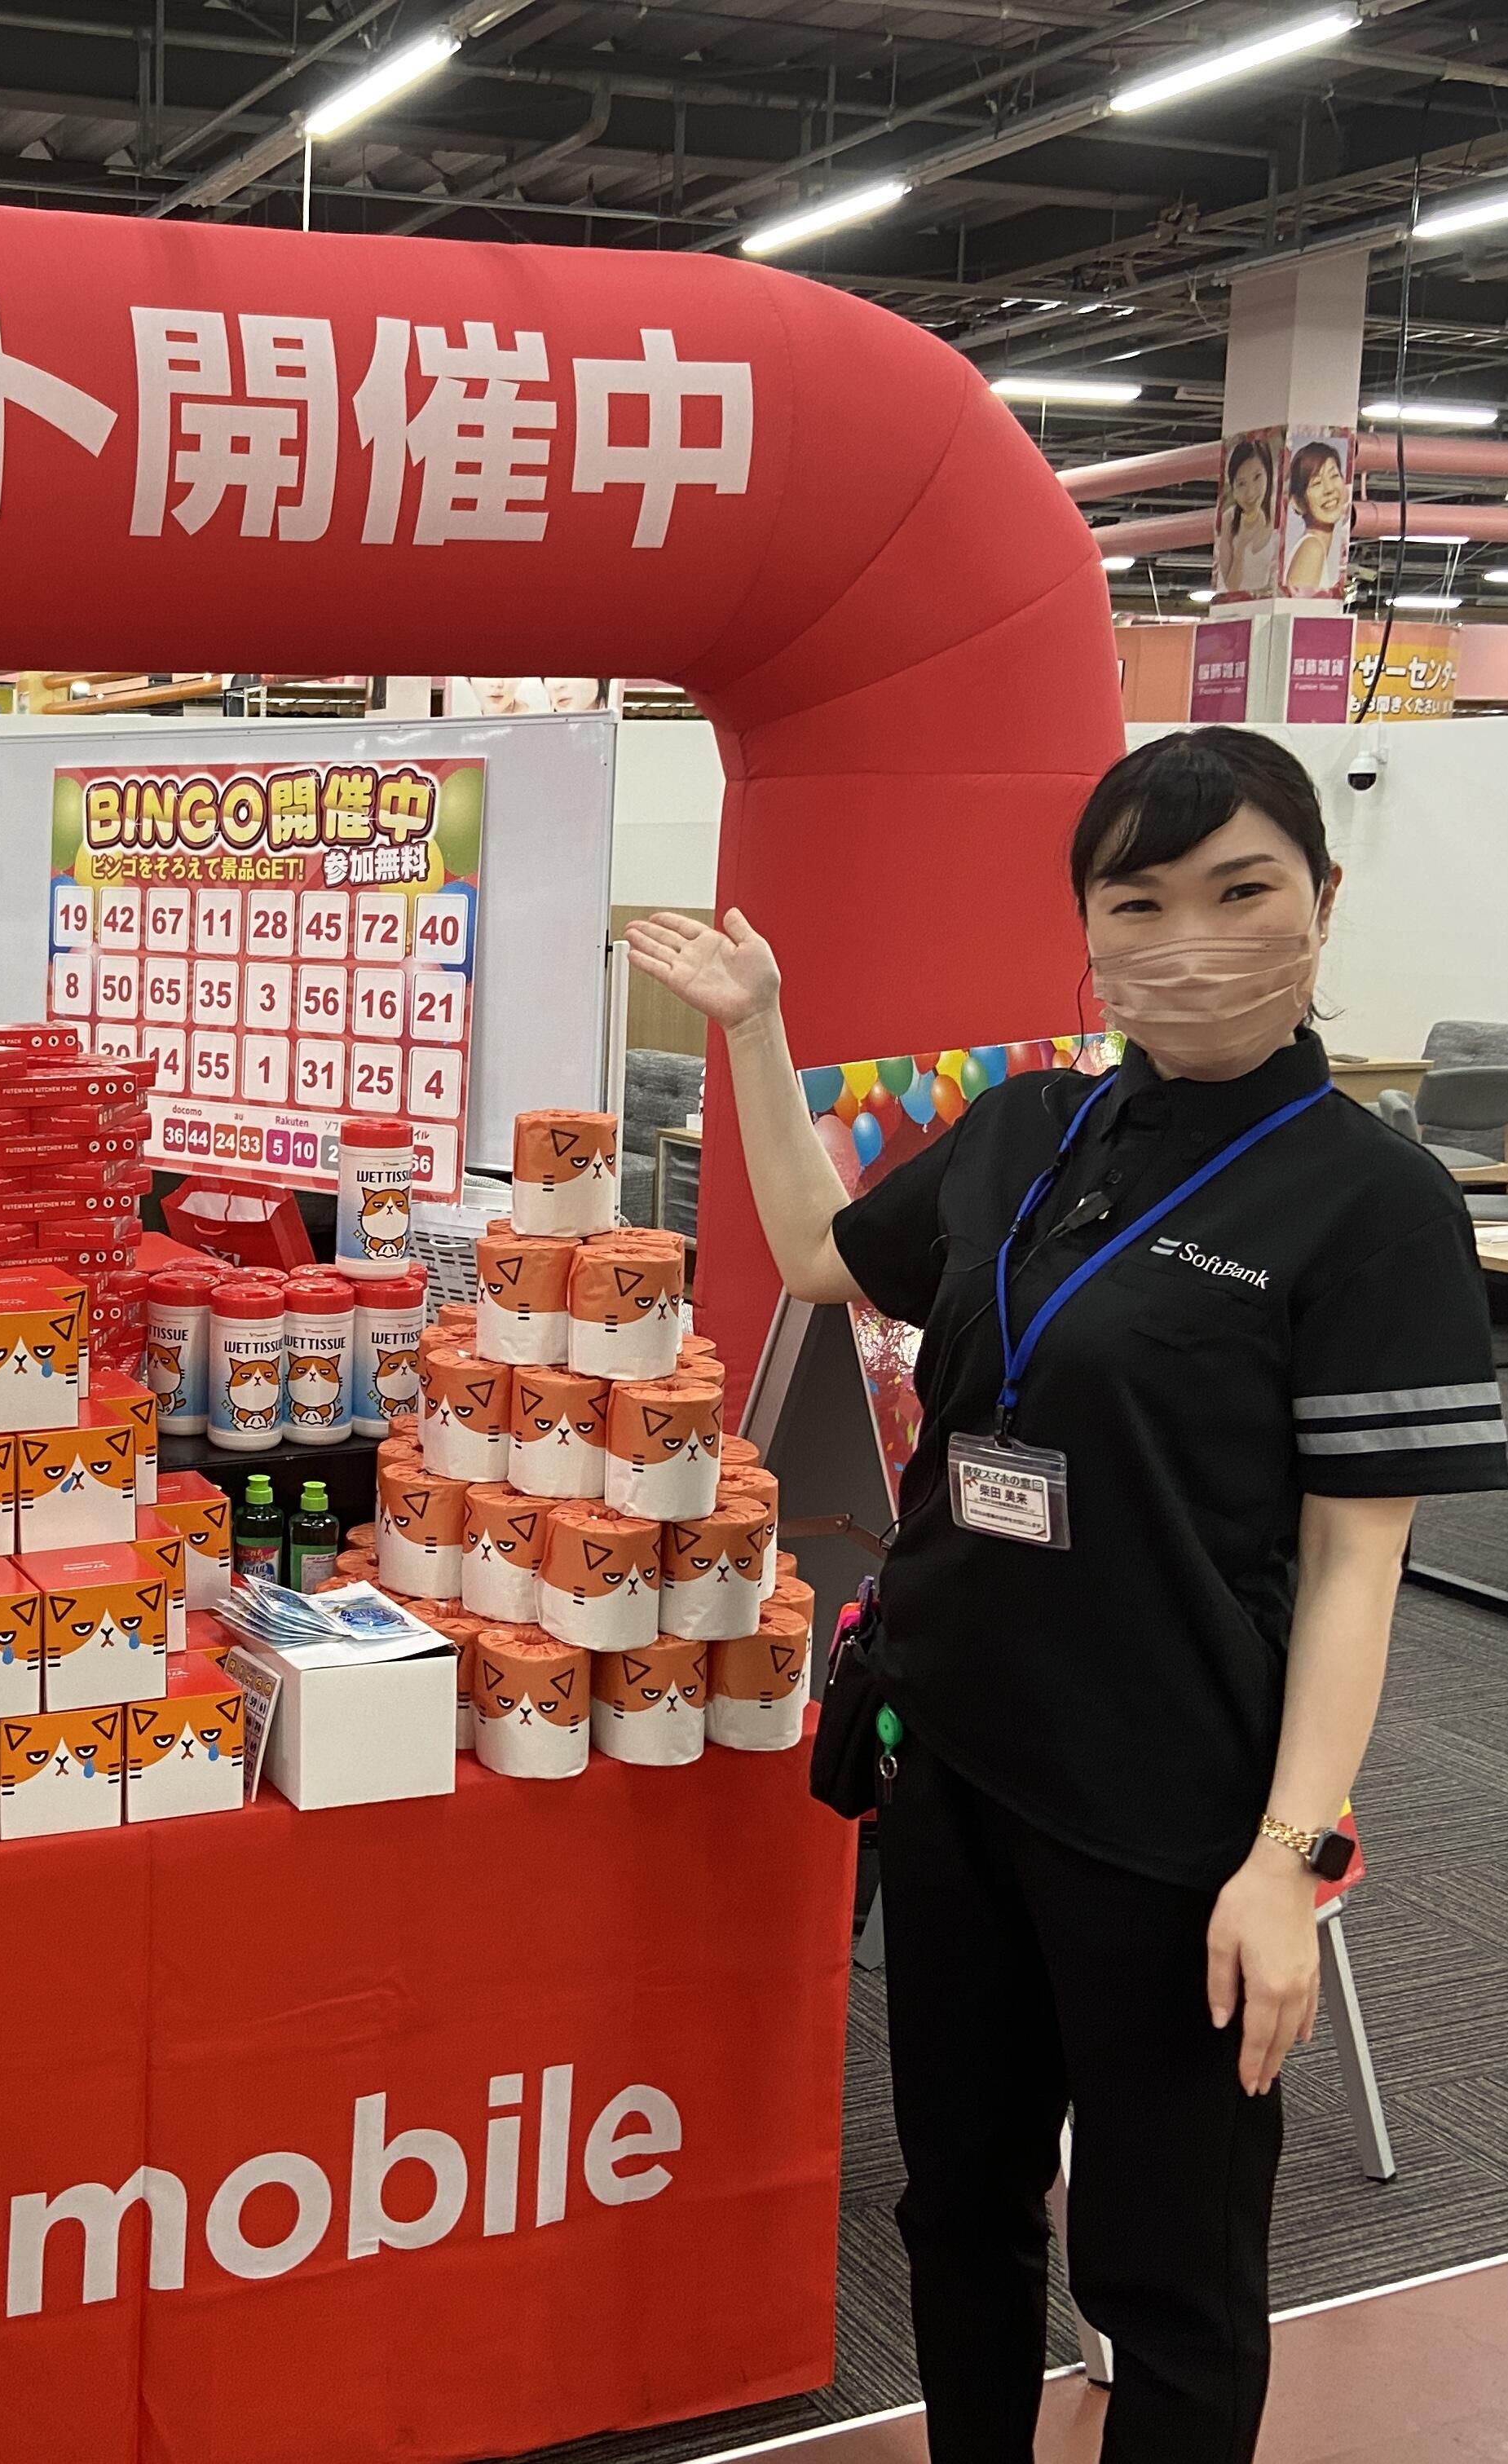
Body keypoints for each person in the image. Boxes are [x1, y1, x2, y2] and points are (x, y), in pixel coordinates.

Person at [625, 726, 1503, 2463]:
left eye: (1241, 889)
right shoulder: (1025, 1127)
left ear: (1321, 900)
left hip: (1172, 1815)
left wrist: (1290, 1856)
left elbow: (1357, 1564)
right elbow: (815, 1255)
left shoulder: (1373, 1200)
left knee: (1166, 2275)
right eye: (1140, 899)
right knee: (957, 2203)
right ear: (1088, 926)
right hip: (954, 1764)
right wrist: (756, 1027)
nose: (1192, 937)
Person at [1212, 436, 1279, 598]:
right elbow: (1231, 587)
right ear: (1233, 488)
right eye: (1241, 484)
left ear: (1268, 474)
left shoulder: (1279, 514)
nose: (1251, 492)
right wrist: (1241, 544)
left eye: (1257, 477)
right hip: (1237, 607)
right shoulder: (1229, 520)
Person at [1281, 440, 1349, 595]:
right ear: (1298, 503)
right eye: (1317, 483)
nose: (1329, 489)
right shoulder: (1312, 549)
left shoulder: (1316, 548)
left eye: (1334, 476)